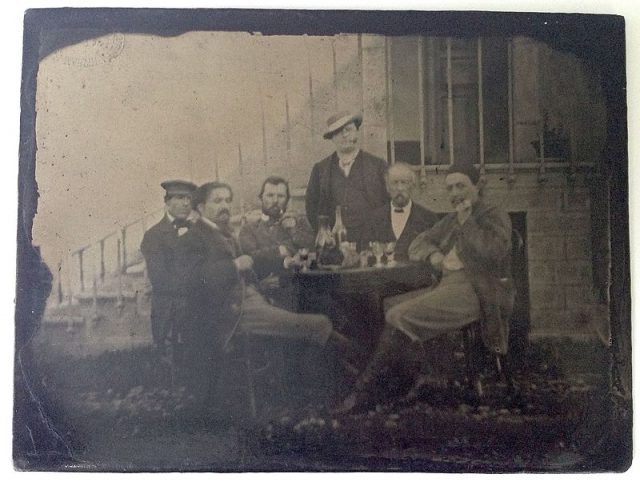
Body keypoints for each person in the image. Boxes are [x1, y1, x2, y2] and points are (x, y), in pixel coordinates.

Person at [336, 164, 515, 413]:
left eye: (461, 186)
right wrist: (434, 255)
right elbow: (418, 243)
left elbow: (494, 252)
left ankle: (363, 390)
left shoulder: (492, 214)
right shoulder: (452, 218)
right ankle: (419, 378)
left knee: (398, 315)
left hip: (480, 292)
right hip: (448, 285)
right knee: (389, 304)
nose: (455, 193)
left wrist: (467, 222)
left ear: (478, 186)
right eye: (450, 188)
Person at [179, 181, 361, 406]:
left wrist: (276, 269)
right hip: (230, 313)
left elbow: (251, 263)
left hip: (252, 299)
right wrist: (234, 266)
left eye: (227, 200)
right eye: (217, 201)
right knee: (318, 323)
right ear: (200, 207)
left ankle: (339, 379)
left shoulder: (223, 232)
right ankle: (356, 374)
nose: (225, 206)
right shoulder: (192, 238)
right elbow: (193, 280)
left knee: (314, 310)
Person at [305, 111, 388, 245]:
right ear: (332, 138)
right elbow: (311, 206)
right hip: (334, 243)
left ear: (357, 132)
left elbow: (389, 203)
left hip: (372, 241)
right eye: (338, 132)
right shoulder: (320, 169)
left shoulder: (378, 165)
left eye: (348, 129)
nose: (344, 135)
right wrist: (324, 232)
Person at [140, 179, 197, 356]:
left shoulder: (198, 232)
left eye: (188, 198)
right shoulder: (154, 236)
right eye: (180, 197)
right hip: (170, 309)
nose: (186, 203)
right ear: (167, 202)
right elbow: (160, 279)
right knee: (172, 360)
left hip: (196, 305)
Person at [238, 176, 314, 307]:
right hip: (268, 294)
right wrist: (283, 250)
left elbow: (312, 246)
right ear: (261, 198)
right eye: (270, 195)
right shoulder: (249, 229)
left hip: (304, 289)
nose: (275, 201)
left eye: (281, 196)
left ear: (287, 200)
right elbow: (252, 258)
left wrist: (292, 229)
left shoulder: (299, 222)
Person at [361, 162, 439, 261]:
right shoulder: (373, 219)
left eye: (404, 182)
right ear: (387, 187)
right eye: (395, 183)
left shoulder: (429, 218)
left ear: (412, 186)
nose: (399, 188)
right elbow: (365, 252)